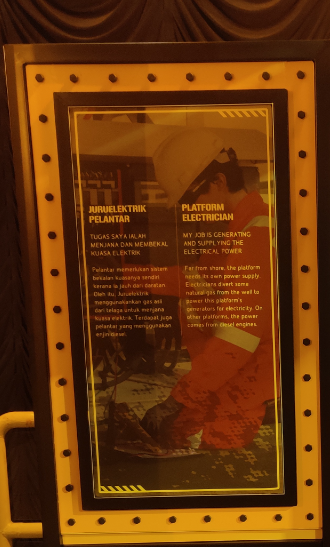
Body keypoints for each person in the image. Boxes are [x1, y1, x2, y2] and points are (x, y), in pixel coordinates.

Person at [117, 128, 278, 453]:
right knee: (175, 442)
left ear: (218, 181)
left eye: (192, 199)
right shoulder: (242, 231)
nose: (191, 208)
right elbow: (197, 280)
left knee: (219, 465)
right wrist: (124, 278)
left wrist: (177, 400)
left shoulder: (255, 237)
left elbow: (237, 338)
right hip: (224, 376)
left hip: (243, 384)